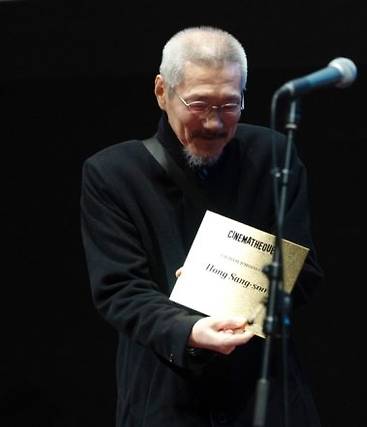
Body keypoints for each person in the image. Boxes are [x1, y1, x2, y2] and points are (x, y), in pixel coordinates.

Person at [80, 26, 323, 426]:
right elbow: (119, 290)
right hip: (163, 397)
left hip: (265, 391)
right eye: (199, 104)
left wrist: (228, 290)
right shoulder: (113, 173)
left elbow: (304, 270)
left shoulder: (273, 156)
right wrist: (189, 330)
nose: (214, 122)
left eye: (230, 105)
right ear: (162, 92)